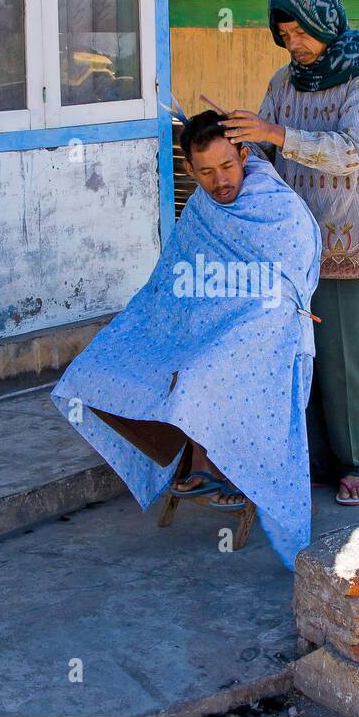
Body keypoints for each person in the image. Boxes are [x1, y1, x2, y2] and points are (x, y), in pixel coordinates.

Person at [51, 110, 322, 568]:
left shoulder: (278, 207)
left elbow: (287, 289)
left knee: (197, 375)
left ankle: (222, 469)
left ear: (243, 154)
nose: (220, 182)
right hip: (202, 321)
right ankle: (191, 459)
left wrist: (232, 312)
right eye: (207, 172)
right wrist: (165, 314)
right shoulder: (200, 206)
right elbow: (174, 277)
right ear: (189, 171)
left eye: (228, 167)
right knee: (100, 369)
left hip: (264, 329)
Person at [222, 0, 359, 507]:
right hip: (290, 245)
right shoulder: (284, 83)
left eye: (300, 30)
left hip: (350, 242)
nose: (293, 42)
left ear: (323, 18)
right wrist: (232, 148)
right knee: (300, 355)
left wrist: (275, 133)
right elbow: (268, 154)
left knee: (343, 356)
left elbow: (357, 152)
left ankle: (354, 462)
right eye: (284, 34)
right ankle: (316, 461)